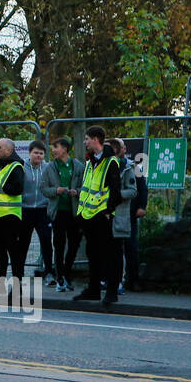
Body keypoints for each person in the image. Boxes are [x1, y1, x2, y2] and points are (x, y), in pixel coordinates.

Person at [72, 126, 122, 306]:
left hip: (103, 216)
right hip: (88, 215)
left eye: (86, 139)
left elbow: (116, 190)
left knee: (110, 255)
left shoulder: (111, 162)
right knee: (93, 254)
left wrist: (108, 211)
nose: (85, 142)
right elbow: (87, 189)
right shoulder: (89, 162)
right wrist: (81, 214)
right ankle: (93, 290)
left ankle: (111, 292)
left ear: (95, 139)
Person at [40, 136, 84, 291]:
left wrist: (77, 192)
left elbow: (86, 187)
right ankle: (59, 278)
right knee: (59, 245)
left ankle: (67, 275)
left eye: (56, 147)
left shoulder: (78, 166)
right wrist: (55, 191)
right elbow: (43, 188)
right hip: (58, 212)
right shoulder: (49, 167)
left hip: (75, 211)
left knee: (73, 245)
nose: (53, 150)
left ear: (65, 149)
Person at [0, 138, 27, 281]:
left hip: (9, 217)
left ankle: (17, 284)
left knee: (13, 252)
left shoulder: (16, 167)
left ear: (8, 150)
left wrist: (4, 188)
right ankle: (0, 283)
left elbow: (18, 188)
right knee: (0, 252)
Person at [107, 138, 137, 298]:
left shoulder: (127, 168)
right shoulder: (101, 165)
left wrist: (116, 195)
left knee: (118, 251)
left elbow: (133, 190)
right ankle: (107, 279)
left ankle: (119, 281)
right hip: (102, 214)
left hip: (119, 214)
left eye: (115, 146)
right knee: (105, 249)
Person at [20, 140, 53, 283]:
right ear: (30, 153)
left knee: (46, 242)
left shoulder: (48, 168)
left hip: (43, 211)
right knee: (23, 243)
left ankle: (49, 273)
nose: (38, 156)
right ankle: (19, 273)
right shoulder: (21, 167)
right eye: (35, 153)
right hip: (25, 210)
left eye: (41, 153)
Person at [126, 158, 149, 292]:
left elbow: (142, 187)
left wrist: (142, 206)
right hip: (112, 214)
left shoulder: (134, 167)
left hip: (130, 214)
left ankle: (133, 280)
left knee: (131, 248)